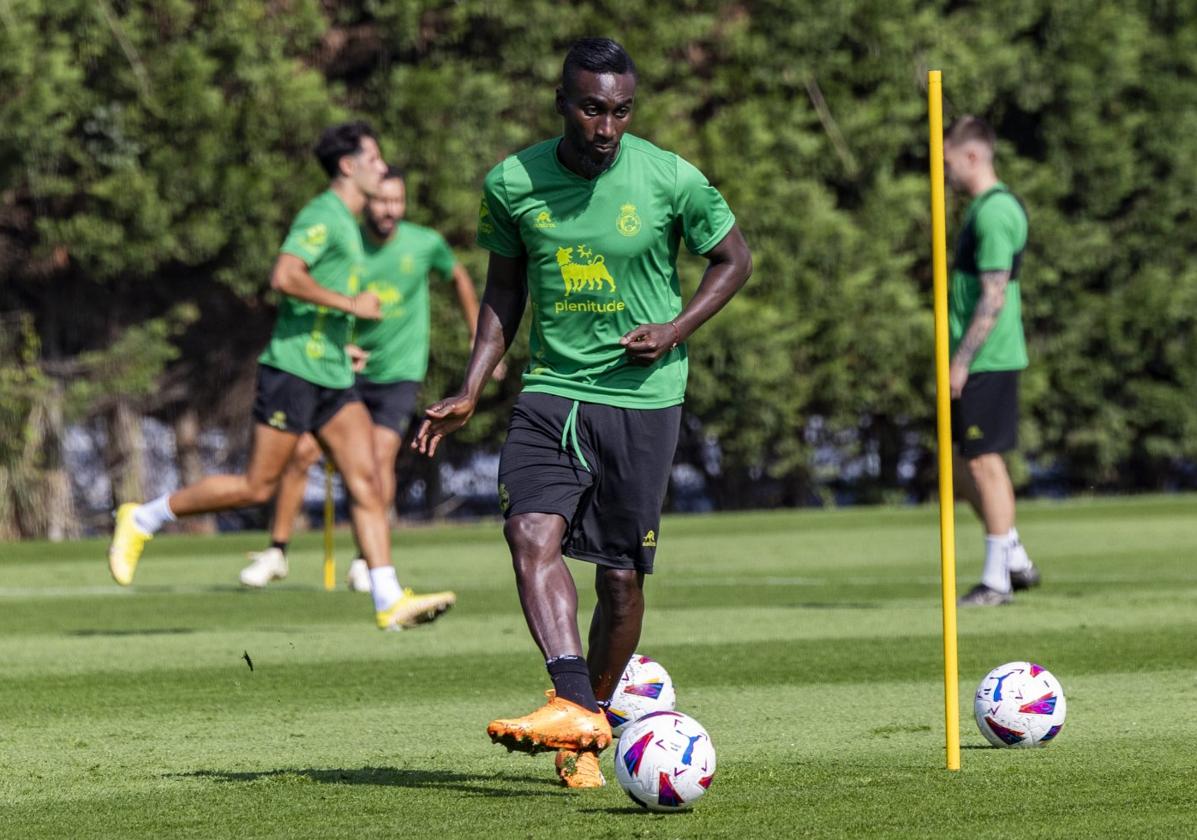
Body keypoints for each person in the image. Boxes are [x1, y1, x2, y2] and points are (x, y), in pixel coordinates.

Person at [412, 37, 752, 788]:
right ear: (562, 103)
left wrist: (673, 329)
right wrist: (473, 384)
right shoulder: (511, 182)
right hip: (551, 390)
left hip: (642, 399)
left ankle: (588, 721)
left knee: (621, 581)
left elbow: (734, 258)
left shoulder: (669, 177)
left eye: (621, 111)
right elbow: (505, 292)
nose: (607, 128)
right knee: (528, 528)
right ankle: (570, 697)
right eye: (593, 109)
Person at [107, 122, 456, 630]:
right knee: (256, 487)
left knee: (368, 478)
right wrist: (350, 304)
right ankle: (143, 517)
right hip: (292, 370)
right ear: (348, 166)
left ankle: (387, 598)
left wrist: (344, 338)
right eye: (375, 159)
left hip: (333, 371)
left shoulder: (352, 223)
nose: (383, 168)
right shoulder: (323, 214)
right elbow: (285, 276)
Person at [239, 165, 501, 591]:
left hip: (399, 371)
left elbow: (457, 275)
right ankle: (276, 551)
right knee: (301, 452)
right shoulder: (348, 241)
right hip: (343, 367)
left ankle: (366, 560)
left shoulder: (424, 243)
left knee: (378, 461)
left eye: (397, 201)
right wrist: (337, 343)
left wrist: (477, 333)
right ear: (367, 202)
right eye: (382, 200)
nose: (390, 209)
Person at [943, 115, 1040, 607]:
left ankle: (997, 579)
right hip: (978, 359)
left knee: (984, 462)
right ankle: (1014, 555)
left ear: (974, 156)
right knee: (961, 466)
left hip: (989, 359)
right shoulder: (981, 209)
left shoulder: (995, 213)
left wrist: (962, 360)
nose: (947, 174)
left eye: (950, 163)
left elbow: (994, 295)